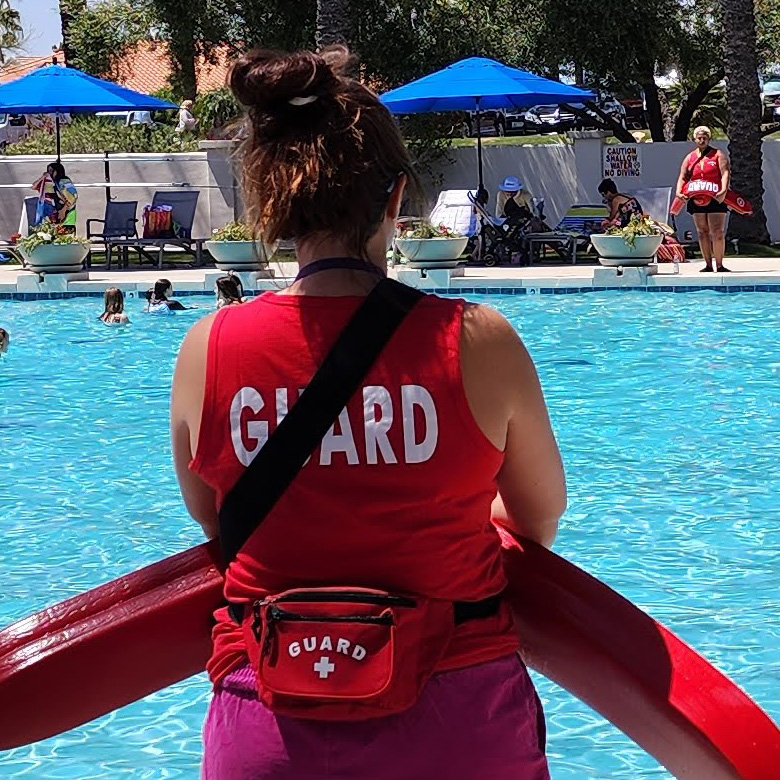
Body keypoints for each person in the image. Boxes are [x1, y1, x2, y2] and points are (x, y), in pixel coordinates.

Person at [171, 45, 565, 780]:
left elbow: (215, 519)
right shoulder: (478, 340)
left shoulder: (208, 347)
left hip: (269, 721)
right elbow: (538, 520)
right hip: (458, 714)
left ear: (273, 202)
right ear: (395, 198)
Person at [676, 125, 731, 273]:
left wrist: (723, 190)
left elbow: (725, 173)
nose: (702, 140)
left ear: (709, 139)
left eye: (704, 138)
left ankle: (719, 265)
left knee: (717, 231)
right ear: (694, 139)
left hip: (715, 196)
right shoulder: (690, 157)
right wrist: (679, 192)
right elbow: (683, 177)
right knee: (702, 231)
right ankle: (708, 264)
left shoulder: (718, 154)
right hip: (696, 197)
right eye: (699, 138)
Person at [31, 162, 78, 230]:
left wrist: (63, 210)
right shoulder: (50, 182)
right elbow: (34, 187)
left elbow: (73, 196)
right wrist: (43, 177)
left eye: (51, 171)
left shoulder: (64, 181)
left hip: (66, 215)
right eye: (48, 171)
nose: (49, 173)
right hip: (53, 214)